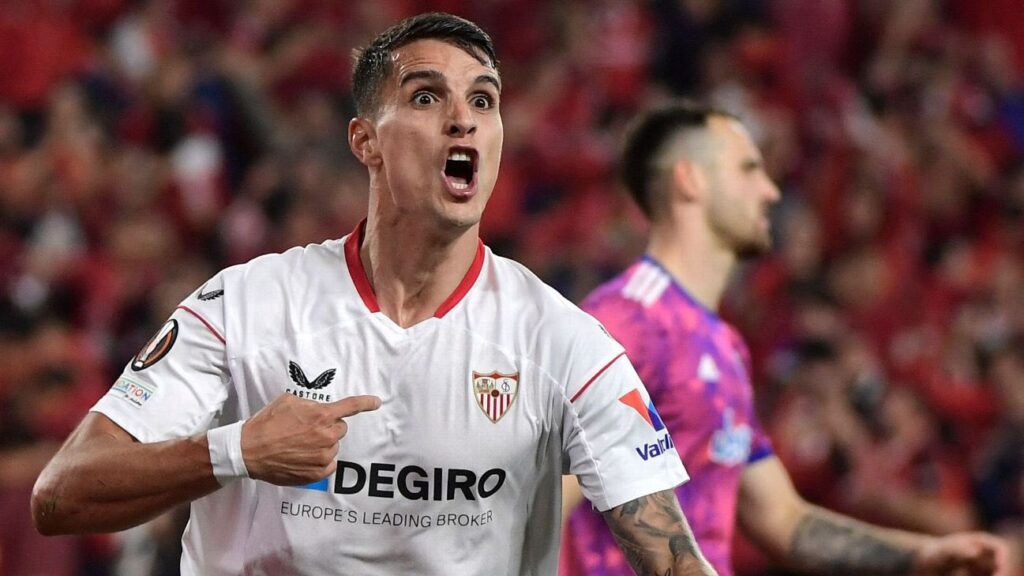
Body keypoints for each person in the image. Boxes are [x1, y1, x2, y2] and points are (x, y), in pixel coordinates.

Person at [30, 13, 716, 576]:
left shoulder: (564, 344)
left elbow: (674, 560)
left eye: (483, 100)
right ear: (365, 141)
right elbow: (62, 494)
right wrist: (237, 450)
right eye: (427, 97)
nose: (463, 119)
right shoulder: (245, 305)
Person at [560, 101, 1010, 576]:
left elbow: (784, 521)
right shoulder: (627, 320)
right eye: (748, 169)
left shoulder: (724, 346)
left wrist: (918, 556)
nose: (770, 190)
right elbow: (542, 495)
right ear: (690, 181)